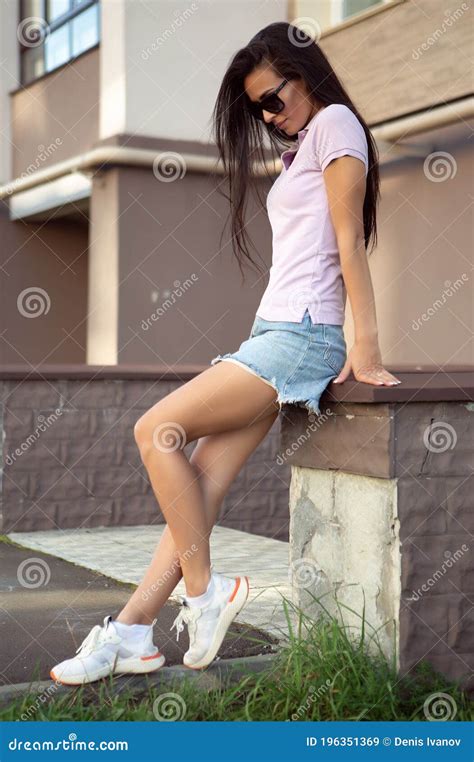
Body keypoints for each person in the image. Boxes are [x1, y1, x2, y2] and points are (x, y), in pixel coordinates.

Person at [50, 21, 401, 686]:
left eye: (276, 96)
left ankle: (207, 596)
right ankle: (130, 632)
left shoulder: (337, 127)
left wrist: (366, 349)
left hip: (303, 337)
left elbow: (350, 243)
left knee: (156, 429)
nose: (271, 113)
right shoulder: (302, 148)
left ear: (307, 74)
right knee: (201, 488)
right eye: (260, 106)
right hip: (274, 333)